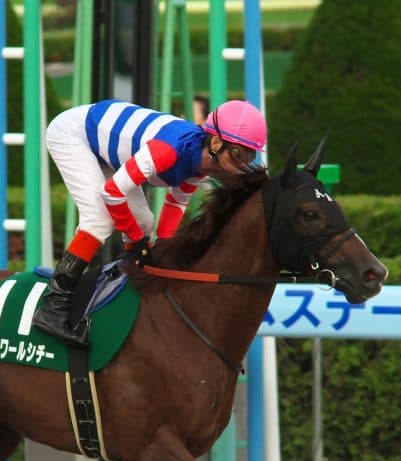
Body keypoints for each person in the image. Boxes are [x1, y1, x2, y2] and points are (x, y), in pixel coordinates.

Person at [32, 98, 267, 347]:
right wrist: (137, 241)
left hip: (106, 147)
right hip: (74, 133)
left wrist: (164, 254)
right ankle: (53, 306)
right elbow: (112, 193)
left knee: (145, 221)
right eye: (238, 155)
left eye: (249, 156)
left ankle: (127, 291)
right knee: (98, 219)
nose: (241, 166)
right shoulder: (169, 150)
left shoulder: (202, 164)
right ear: (216, 143)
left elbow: (175, 205)